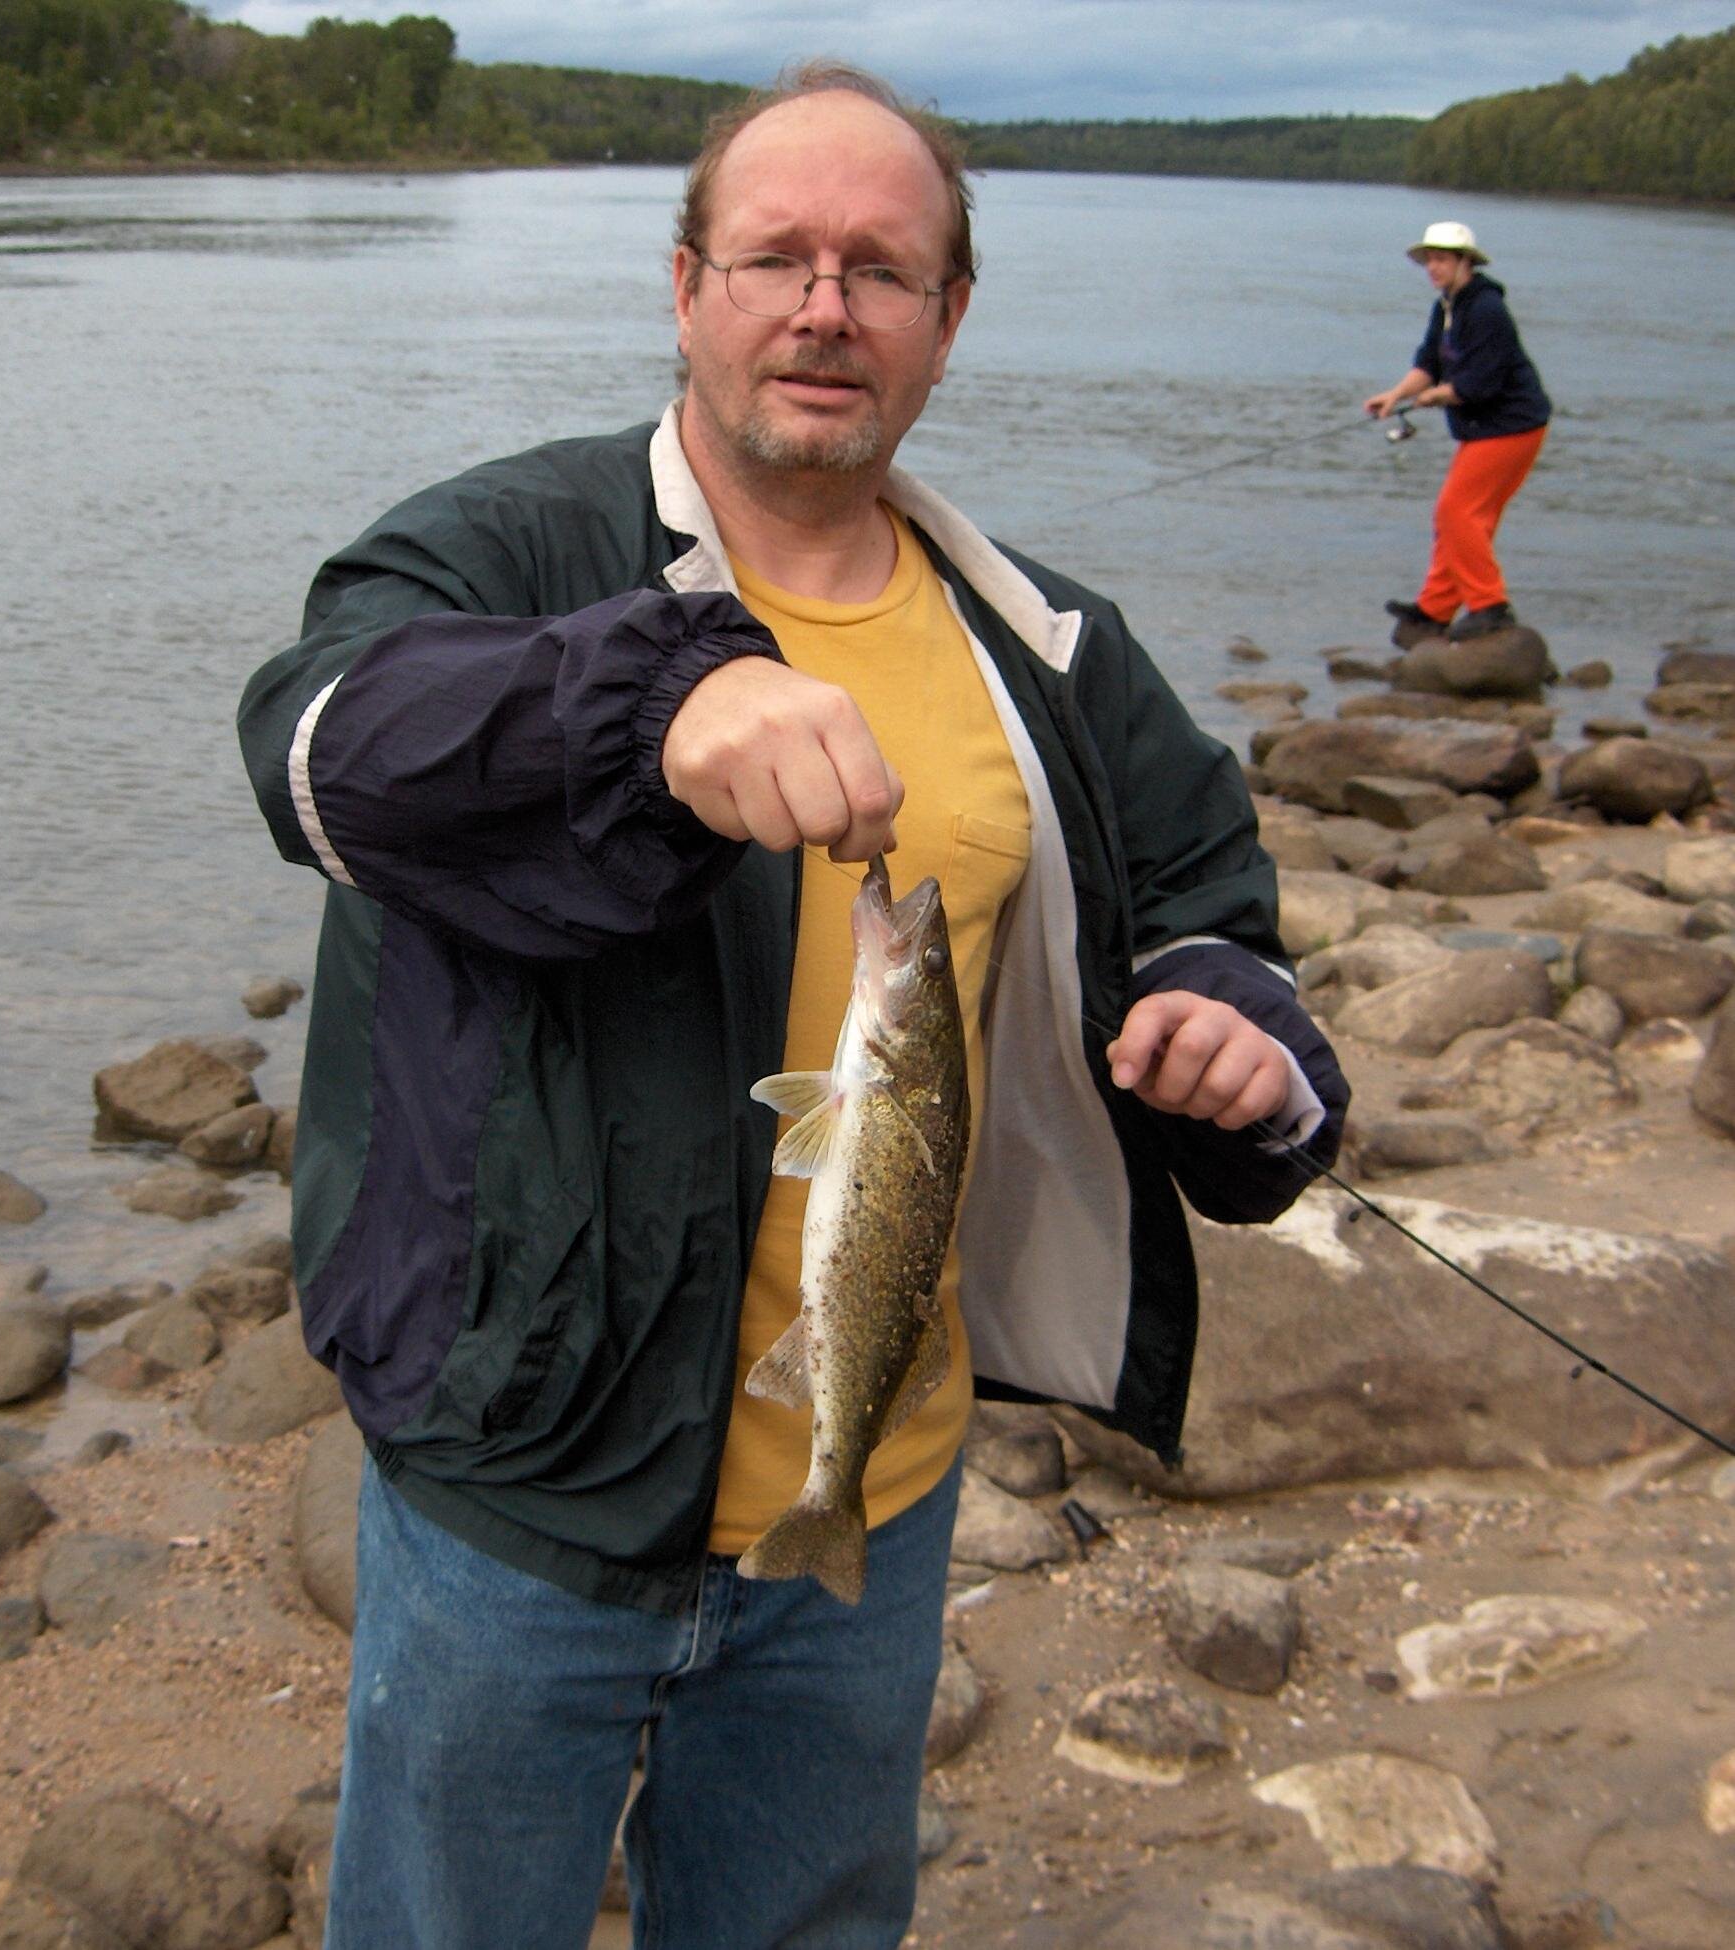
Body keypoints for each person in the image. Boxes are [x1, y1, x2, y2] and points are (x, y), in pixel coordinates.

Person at [239, 61, 1347, 1950]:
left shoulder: (1050, 650)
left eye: (880, 268)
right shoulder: (500, 552)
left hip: (874, 1505)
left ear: (947, 321)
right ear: (687, 288)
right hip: (523, 1482)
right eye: (775, 258)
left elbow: (1206, 913)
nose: (824, 305)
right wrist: (650, 705)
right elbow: (320, 749)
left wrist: (1238, 1035)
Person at [1365, 219, 1552, 644]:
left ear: (1465, 263)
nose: (1433, 267)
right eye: (1429, 260)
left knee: (1458, 512)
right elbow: (1427, 364)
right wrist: (1396, 396)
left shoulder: (1487, 309)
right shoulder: (1447, 306)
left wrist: (1438, 396)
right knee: (1458, 515)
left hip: (1513, 425)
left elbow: (1481, 383)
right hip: (1484, 429)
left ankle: (1490, 606)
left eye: (1442, 259)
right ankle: (1435, 609)